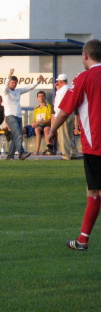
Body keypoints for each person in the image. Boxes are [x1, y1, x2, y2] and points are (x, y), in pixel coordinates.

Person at [47, 39, 101, 251]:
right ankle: (82, 239)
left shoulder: (83, 78)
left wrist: (51, 131)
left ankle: (82, 241)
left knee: (94, 193)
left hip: (95, 145)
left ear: (86, 55)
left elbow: (66, 109)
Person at [3, 68, 43, 160]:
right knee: (18, 134)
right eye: (12, 83)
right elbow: (5, 85)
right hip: (10, 116)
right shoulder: (6, 91)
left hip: (18, 116)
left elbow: (28, 87)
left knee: (16, 135)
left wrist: (37, 82)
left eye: (15, 83)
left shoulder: (18, 91)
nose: (14, 84)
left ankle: (10, 156)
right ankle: (21, 153)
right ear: (9, 83)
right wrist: (9, 74)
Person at [52, 74, 79, 160]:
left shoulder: (62, 91)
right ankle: (73, 153)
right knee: (69, 136)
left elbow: (60, 103)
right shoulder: (70, 88)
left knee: (63, 136)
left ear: (60, 81)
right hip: (70, 114)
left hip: (62, 115)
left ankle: (65, 155)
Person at [23, 91, 54, 155]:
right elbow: (35, 120)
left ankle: (47, 148)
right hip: (38, 125)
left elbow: (50, 119)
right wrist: (33, 123)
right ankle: (32, 150)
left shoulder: (48, 106)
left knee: (43, 129)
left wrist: (39, 122)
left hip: (46, 125)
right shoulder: (36, 108)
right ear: (37, 98)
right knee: (32, 129)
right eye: (39, 96)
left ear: (45, 97)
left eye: (42, 96)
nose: (41, 98)